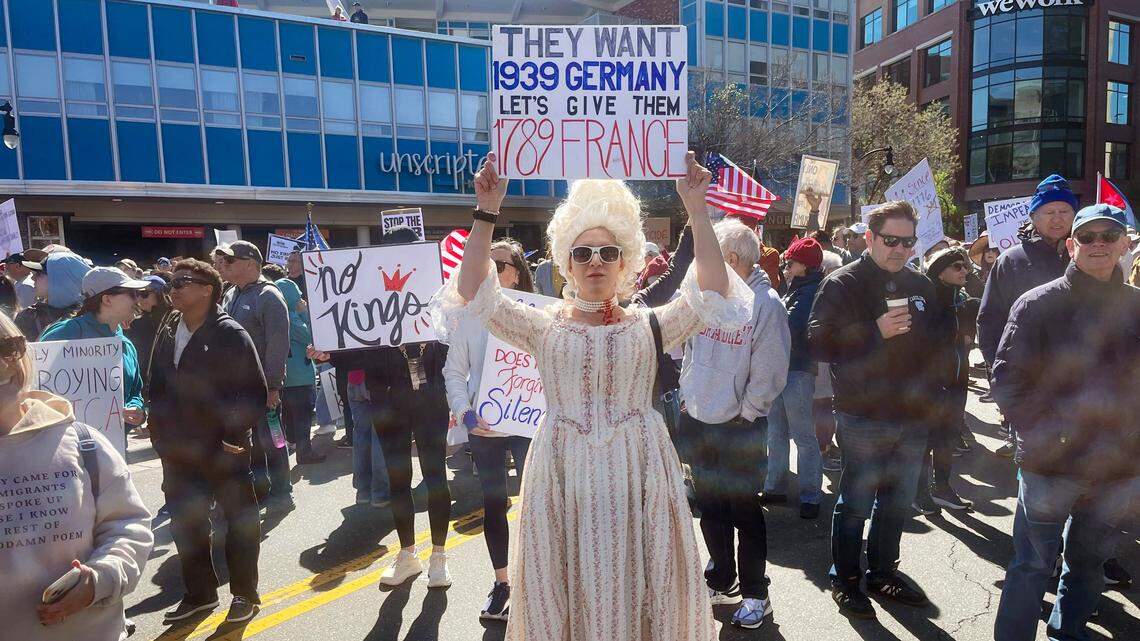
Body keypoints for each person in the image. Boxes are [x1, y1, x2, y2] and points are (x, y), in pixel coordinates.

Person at [434, 151, 752, 640]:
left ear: (625, 261)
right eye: (582, 253)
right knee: (562, 581)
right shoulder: (542, 328)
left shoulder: (650, 326)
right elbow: (475, 289)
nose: (595, 262)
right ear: (566, 263)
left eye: (607, 252)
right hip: (560, 471)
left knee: (646, 579)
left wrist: (696, 209)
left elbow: (711, 292)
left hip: (640, 469)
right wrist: (486, 211)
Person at [991, 204, 1140, 641]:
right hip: (1050, 468)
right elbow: (1006, 382)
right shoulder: (1037, 304)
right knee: (1031, 566)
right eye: (1088, 236)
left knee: (1088, 567)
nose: (1098, 244)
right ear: (1072, 245)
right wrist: (1049, 437)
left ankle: (1067, 634)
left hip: (1116, 468)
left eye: (1108, 236)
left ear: (1124, 244)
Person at [808, 201, 948, 619]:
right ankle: (846, 578)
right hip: (863, 415)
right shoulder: (843, 284)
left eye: (907, 242)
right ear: (869, 238)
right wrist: (874, 332)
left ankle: (883, 571)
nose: (900, 249)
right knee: (854, 503)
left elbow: (936, 343)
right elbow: (818, 343)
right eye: (891, 240)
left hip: (911, 416)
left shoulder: (922, 284)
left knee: (899, 501)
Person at [0, 312, 153, 641]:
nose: (2, 364)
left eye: (7, 347)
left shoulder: (82, 441)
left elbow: (128, 525)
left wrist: (100, 580)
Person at [680, 217, 790, 629]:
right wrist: (690, 402)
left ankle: (755, 593)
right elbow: (689, 349)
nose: (700, 263)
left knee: (744, 511)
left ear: (730, 258)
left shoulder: (766, 304)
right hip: (700, 418)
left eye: (708, 256)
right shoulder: (709, 295)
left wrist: (746, 415)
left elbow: (770, 371)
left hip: (740, 426)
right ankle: (721, 578)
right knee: (710, 507)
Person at [148, 259, 267, 624]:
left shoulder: (230, 333)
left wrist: (233, 437)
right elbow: (157, 381)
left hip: (223, 451)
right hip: (179, 451)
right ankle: (199, 594)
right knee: (187, 524)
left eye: (183, 282)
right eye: (173, 282)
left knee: (238, 523)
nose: (174, 288)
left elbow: (254, 392)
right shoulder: (169, 326)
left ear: (207, 290)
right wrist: (154, 424)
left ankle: (245, 595)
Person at [442, 238, 535, 620]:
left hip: (530, 427)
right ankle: (502, 583)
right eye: (486, 263)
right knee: (494, 505)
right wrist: (464, 412)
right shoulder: (468, 317)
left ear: (517, 274)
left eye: (500, 264)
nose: (491, 270)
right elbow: (454, 372)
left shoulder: (538, 315)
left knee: (537, 505)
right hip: (485, 430)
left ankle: (538, 580)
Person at [978, 174, 1076, 458]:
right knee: (1038, 477)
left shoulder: (1090, 255)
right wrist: (1002, 383)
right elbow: (989, 323)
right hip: (1030, 388)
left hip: (1080, 392)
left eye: (1064, 211)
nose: (1057, 219)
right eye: (1049, 212)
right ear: (1034, 215)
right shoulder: (1011, 261)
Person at [217, 241, 293, 512]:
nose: (224, 266)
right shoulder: (231, 293)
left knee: (272, 440)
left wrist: (273, 387)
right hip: (238, 388)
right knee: (252, 445)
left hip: (262, 387)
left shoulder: (269, 296)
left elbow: (278, 345)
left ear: (250, 264)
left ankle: (283, 492)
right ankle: (261, 491)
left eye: (230, 261)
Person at [39, 268, 149, 432]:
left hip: (114, 446)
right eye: (132, 294)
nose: (137, 299)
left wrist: (136, 408)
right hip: (66, 446)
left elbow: (135, 392)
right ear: (107, 299)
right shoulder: (65, 333)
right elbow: (36, 384)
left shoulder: (126, 344)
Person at [763, 236, 825, 518]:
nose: (786, 268)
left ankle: (810, 494)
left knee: (802, 435)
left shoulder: (810, 291)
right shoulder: (797, 289)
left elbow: (789, 324)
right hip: (782, 368)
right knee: (776, 431)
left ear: (806, 266)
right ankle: (775, 486)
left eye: (791, 263)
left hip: (797, 369)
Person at [913, 247, 974, 514]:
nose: (965, 271)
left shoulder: (959, 299)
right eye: (957, 267)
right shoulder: (929, 302)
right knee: (927, 439)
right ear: (940, 273)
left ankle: (942, 487)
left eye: (965, 266)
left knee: (947, 437)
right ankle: (919, 491)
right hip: (932, 383)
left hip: (958, 379)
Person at [276, 278, 323, 464]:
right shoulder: (291, 317)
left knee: (288, 416)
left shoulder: (275, 314)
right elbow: (311, 335)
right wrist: (304, 313)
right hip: (300, 377)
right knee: (303, 417)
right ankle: (305, 453)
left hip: (286, 376)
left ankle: (292, 444)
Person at [14, 252, 90, 340]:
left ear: (61, 278)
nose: (32, 278)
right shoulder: (28, 318)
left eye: (38, 274)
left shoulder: (97, 315)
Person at [126, 274, 172, 392]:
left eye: (144, 294)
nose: (139, 299)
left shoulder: (174, 319)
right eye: (137, 294)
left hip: (167, 386)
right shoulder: (135, 323)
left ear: (159, 294)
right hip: (142, 386)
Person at [965, 231, 998, 300]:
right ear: (983, 254)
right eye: (987, 250)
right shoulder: (975, 275)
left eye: (994, 250)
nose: (990, 253)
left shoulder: (1006, 272)